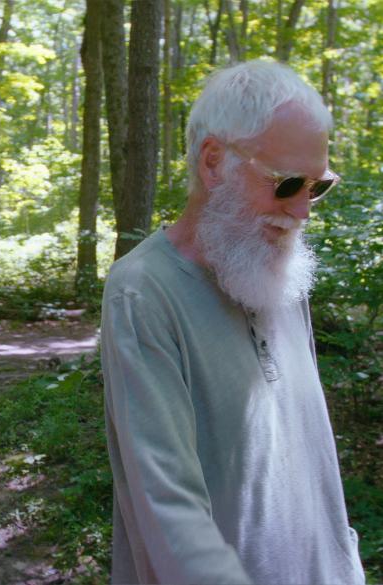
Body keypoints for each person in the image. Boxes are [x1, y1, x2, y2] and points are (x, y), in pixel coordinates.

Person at [101, 60, 365, 584]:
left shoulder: (274, 270)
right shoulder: (143, 292)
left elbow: (315, 461)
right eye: (286, 182)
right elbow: (168, 511)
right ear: (214, 161)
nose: (302, 210)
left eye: (317, 187)